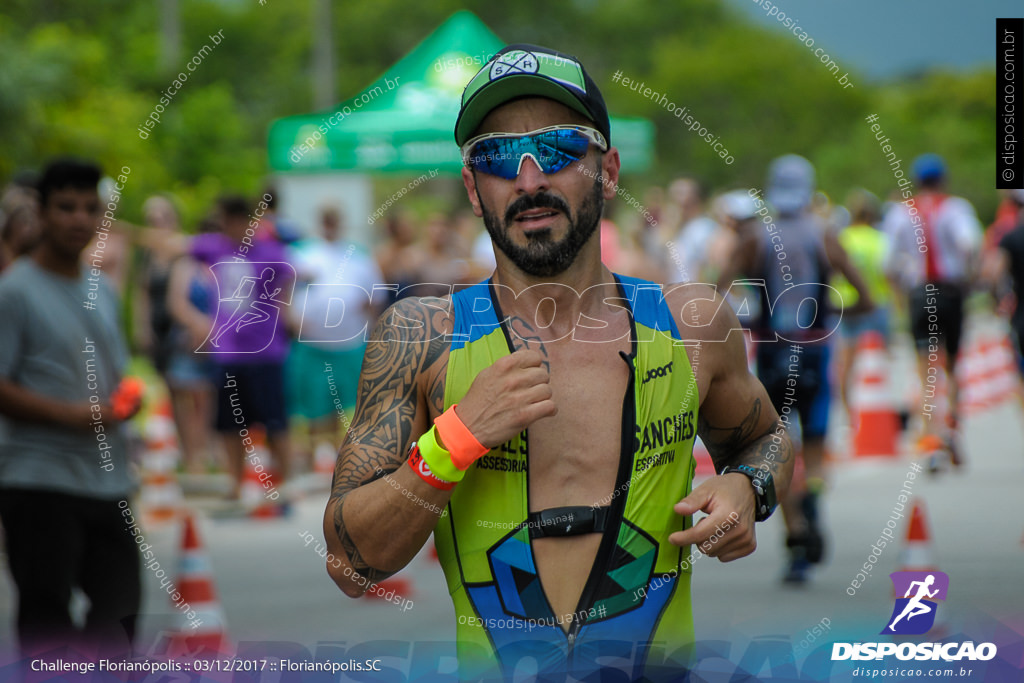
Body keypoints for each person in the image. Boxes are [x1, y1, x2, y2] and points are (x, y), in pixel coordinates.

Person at [323, 44, 793, 680]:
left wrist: (749, 486)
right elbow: (353, 563)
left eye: (558, 149)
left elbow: (765, 438)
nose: (528, 179)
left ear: (608, 169)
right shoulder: (421, 337)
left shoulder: (692, 324)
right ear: (471, 186)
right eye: (495, 156)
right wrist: (455, 441)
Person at [0, 158, 141, 657]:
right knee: (47, 619)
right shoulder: (14, 291)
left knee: (119, 617)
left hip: (107, 479)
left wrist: (127, 401)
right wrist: (73, 416)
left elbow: (116, 375)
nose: (78, 219)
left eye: (88, 208)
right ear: (41, 212)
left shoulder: (101, 288)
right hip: (37, 479)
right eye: (65, 207)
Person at [727, 154, 874, 584]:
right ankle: (813, 499)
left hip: (772, 355)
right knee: (814, 443)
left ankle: (795, 542)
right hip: (815, 352)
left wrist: (749, 319)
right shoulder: (825, 235)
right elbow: (865, 298)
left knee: (777, 448)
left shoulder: (753, 237)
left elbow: (713, 295)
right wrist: (828, 311)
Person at [181, 195, 295, 500]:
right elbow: (171, 243)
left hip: (266, 351)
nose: (230, 228)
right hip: (229, 352)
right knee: (232, 423)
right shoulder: (214, 247)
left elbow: (289, 283)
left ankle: (282, 483)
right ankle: (235, 483)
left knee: (274, 421)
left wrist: (288, 318)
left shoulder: (272, 252)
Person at [882, 154, 983, 468]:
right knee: (952, 364)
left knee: (924, 367)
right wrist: (968, 281)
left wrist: (900, 295)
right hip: (950, 292)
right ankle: (951, 429)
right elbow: (970, 246)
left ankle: (929, 439)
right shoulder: (956, 208)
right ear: (943, 179)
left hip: (918, 294)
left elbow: (887, 263)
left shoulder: (901, 212)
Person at [287, 205, 383, 466]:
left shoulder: (358, 256)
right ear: (320, 221)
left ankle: (347, 462)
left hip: (350, 344)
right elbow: (284, 293)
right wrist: (292, 320)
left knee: (350, 408)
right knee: (312, 407)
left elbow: (374, 298)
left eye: (334, 218)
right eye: (326, 218)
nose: (330, 223)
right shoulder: (300, 254)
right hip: (312, 346)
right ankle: (311, 462)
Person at [830, 189, 894, 419]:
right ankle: (884, 411)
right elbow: (888, 272)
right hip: (876, 305)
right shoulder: (880, 239)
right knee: (882, 358)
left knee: (846, 362)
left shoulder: (841, 238)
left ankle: (849, 413)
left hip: (845, 306)